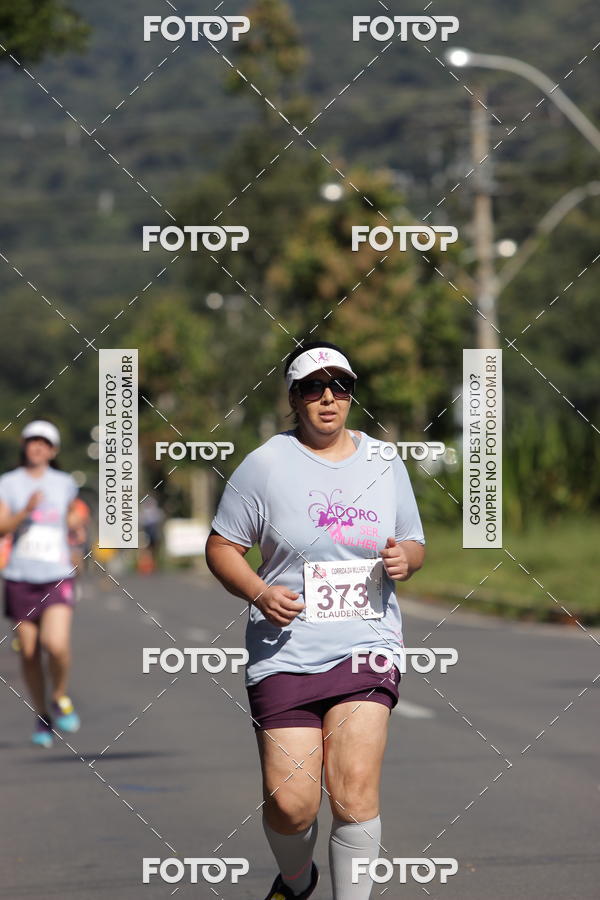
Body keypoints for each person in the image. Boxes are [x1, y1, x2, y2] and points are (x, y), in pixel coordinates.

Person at [205, 341, 426, 900]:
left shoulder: (383, 461)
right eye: (313, 387)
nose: (328, 398)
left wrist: (406, 559)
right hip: (286, 650)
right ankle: (297, 880)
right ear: (294, 397)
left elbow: (414, 541)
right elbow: (222, 547)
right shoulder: (264, 465)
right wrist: (259, 592)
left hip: (367, 644)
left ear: (351, 394)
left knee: (353, 791)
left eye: (340, 386)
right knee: (291, 804)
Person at [0, 420, 86, 748]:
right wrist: (25, 511)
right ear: (24, 445)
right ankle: (42, 714)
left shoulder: (64, 483)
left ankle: (59, 695)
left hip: (56, 574)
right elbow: (2, 526)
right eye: (32, 441)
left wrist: (75, 526)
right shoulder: (8, 483)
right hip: (20, 576)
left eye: (44, 443)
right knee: (29, 652)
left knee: (56, 644)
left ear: (53, 450)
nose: (37, 447)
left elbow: (73, 516)